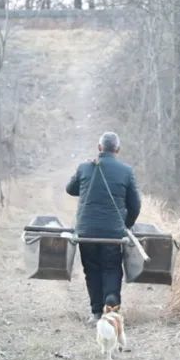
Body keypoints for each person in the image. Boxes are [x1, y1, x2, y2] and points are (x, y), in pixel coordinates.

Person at [66, 131, 142, 324]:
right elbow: (135, 205)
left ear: (99, 148)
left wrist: (86, 173)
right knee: (112, 268)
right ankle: (112, 303)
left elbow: (70, 189)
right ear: (117, 149)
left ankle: (96, 312)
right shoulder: (125, 171)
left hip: (86, 231)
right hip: (113, 232)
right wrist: (126, 225)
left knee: (91, 269)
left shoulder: (85, 167)